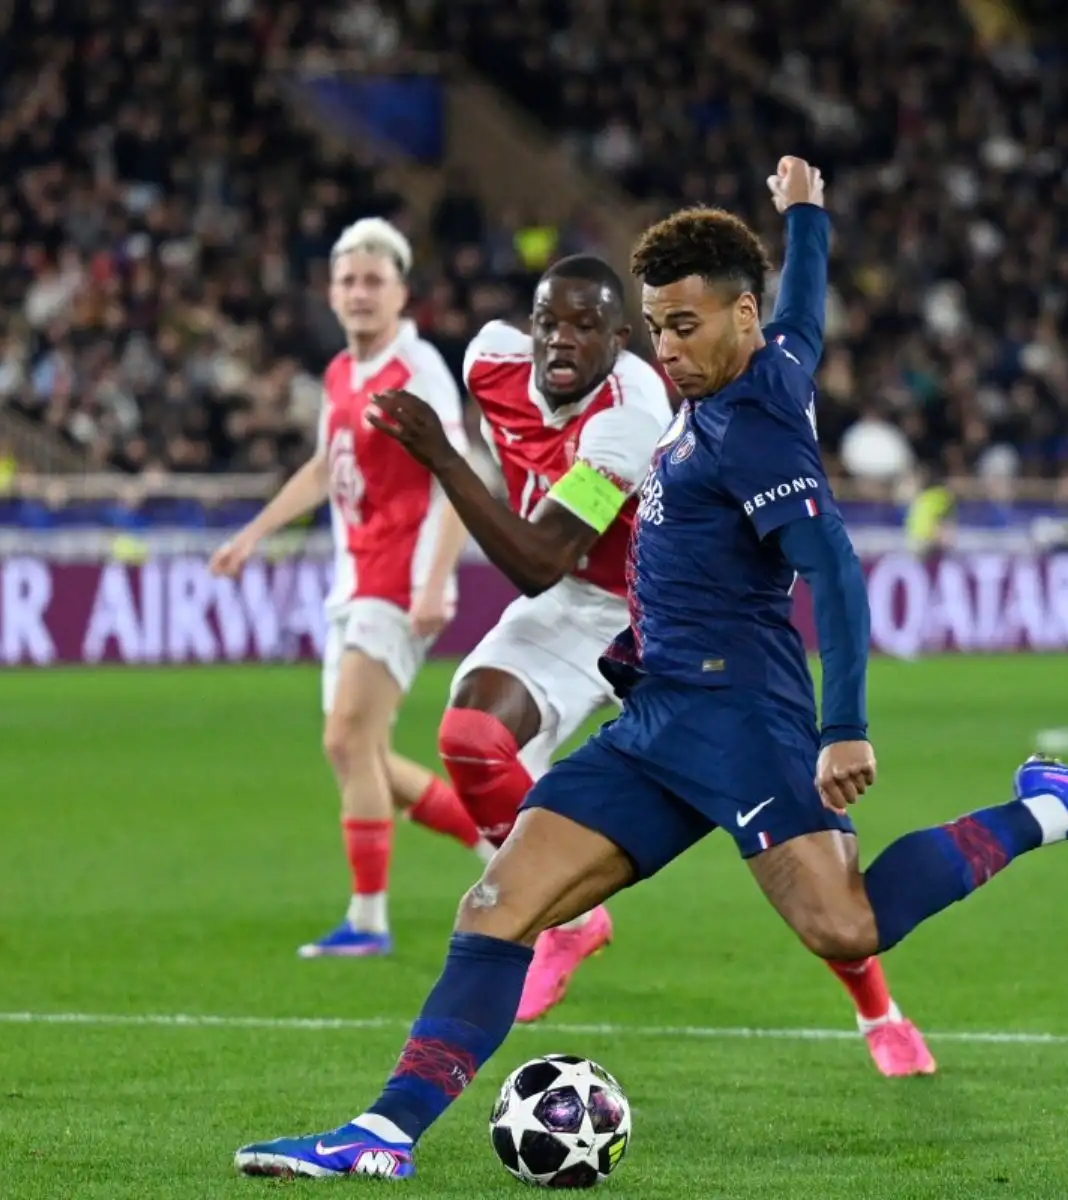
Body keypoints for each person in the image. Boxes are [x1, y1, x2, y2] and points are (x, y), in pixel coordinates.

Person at [232, 159, 1068, 1181]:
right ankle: (383, 1135)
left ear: (739, 316)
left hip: (745, 717)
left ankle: (1049, 808)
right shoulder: (770, 355)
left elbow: (835, 571)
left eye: (684, 327)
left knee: (844, 925)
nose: (667, 350)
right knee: (495, 904)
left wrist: (844, 725)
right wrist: (809, 216)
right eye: (657, 326)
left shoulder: (759, 431)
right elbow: (807, 308)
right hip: (655, 715)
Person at [362, 252, 937, 1076]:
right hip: (577, 605)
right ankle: (563, 921)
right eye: (548, 323)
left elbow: (536, 557)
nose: (561, 341)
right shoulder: (488, 359)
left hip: (669, 617)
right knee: (470, 732)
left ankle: (877, 1008)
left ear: (620, 338)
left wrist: (442, 458)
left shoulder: (632, 412)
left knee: (794, 847)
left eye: (586, 327)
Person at [209, 217, 487, 959]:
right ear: (330, 292)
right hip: (353, 578)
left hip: (399, 581)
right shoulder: (340, 374)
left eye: (374, 280)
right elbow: (321, 469)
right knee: (359, 755)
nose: (360, 293)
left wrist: (434, 583)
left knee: (346, 738)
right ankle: (498, 848)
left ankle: (367, 922)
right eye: (348, 281)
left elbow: (459, 477)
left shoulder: (417, 370)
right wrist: (253, 534)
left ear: (402, 292)